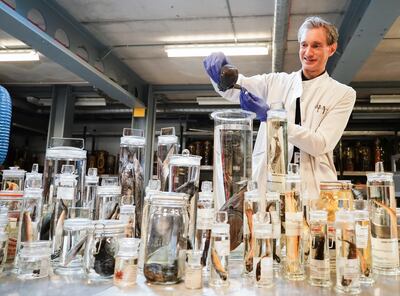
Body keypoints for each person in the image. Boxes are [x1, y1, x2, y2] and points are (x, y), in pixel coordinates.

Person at [203, 16, 356, 199]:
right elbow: (235, 88)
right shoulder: (276, 82)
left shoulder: (342, 94)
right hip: (268, 185)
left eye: (316, 45)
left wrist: (271, 117)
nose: (308, 52)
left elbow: (320, 144)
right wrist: (220, 71)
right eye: (304, 45)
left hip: (313, 188)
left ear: (331, 48)